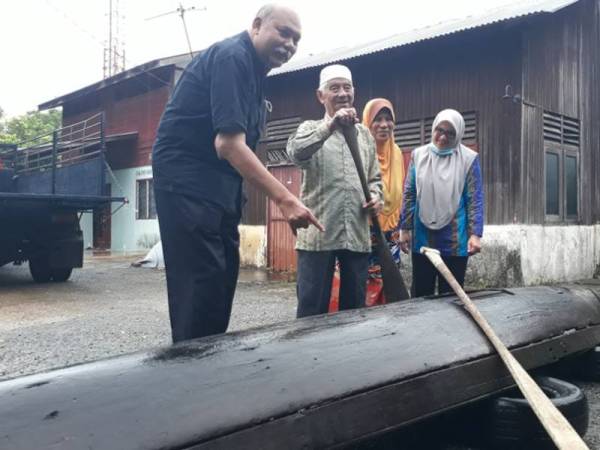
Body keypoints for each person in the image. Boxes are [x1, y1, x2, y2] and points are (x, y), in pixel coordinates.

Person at [152, 4, 322, 343]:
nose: (289, 44)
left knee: (222, 278)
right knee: (201, 285)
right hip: (187, 181)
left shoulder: (255, 75)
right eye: (283, 33)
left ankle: (210, 364)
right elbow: (228, 144)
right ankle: (191, 369)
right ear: (257, 26)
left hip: (218, 188)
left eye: (296, 40)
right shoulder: (233, 57)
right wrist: (286, 199)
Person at [287, 64, 383, 318]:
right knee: (311, 309)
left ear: (354, 92)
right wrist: (330, 126)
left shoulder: (364, 135)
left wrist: (376, 197)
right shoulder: (309, 128)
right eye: (334, 88)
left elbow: (375, 178)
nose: (342, 93)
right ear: (321, 96)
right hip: (317, 234)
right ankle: (308, 356)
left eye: (347, 87)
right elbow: (296, 153)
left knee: (354, 312)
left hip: (356, 232)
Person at [329, 98, 405, 310]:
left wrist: (401, 228)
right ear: (367, 123)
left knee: (387, 286)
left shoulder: (397, 153)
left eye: (388, 119)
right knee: (355, 286)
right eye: (377, 120)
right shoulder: (357, 150)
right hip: (360, 228)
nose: (384, 125)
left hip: (389, 234)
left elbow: (400, 193)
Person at [399, 108, 483, 297]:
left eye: (450, 133)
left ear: (459, 134)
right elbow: (410, 193)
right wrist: (404, 228)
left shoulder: (468, 159)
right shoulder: (418, 156)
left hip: (454, 237)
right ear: (433, 129)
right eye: (440, 130)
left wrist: (475, 234)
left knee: (451, 295)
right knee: (422, 293)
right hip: (423, 234)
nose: (443, 137)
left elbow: (474, 198)